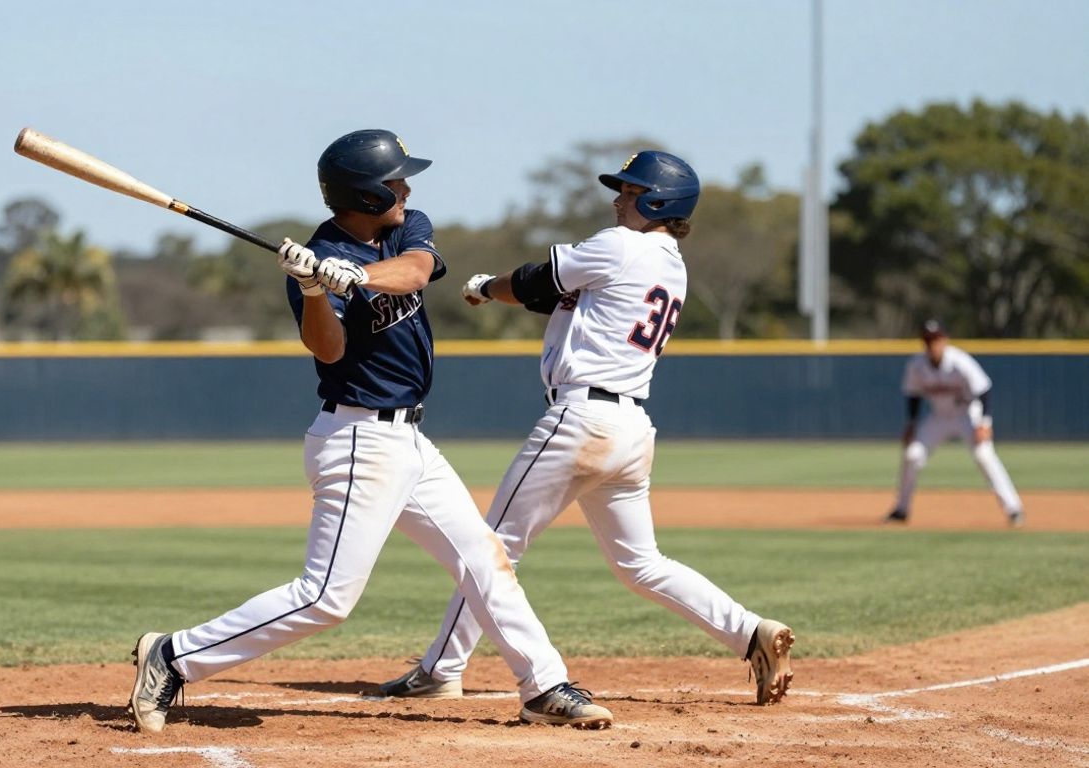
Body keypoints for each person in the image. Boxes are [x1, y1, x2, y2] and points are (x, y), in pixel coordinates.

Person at [127, 129, 612, 734]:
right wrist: (311, 287)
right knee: (327, 598)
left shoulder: (403, 229)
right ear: (366, 192)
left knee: (484, 560)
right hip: (357, 440)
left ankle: (543, 685)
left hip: (410, 440)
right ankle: (172, 656)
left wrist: (358, 278)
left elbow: (416, 271)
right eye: (396, 180)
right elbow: (326, 350)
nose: (407, 188)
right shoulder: (315, 259)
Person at [378, 150, 795, 707]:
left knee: (490, 545)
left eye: (629, 191)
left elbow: (532, 281)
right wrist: (506, 289)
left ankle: (439, 670)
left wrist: (482, 283)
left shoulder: (621, 245)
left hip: (581, 420)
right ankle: (749, 632)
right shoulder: (670, 265)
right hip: (631, 430)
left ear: (657, 201)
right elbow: (555, 295)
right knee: (641, 563)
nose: (618, 199)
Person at [885, 319, 1024, 527]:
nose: (932, 345)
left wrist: (984, 423)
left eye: (936, 340)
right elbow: (913, 395)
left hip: (967, 413)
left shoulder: (959, 361)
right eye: (928, 340)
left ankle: (1013, 508)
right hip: (939, 417)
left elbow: (983, 389)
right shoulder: (917, 365)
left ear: (944, 340)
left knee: (984, 455)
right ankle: (902, 509)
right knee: (912, 454)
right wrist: (911, 424)